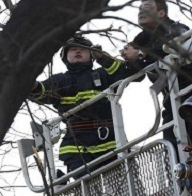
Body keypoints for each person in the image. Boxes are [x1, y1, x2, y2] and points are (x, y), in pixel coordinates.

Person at [29, 36, 142, 176]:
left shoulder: (103, 74)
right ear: (65, 57)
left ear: (91, 55)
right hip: (77, 148)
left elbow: (129, 73)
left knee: (125, 185)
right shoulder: (59, 81)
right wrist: (28, 81)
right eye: (73, 49)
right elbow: (39, 92)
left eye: (82, 49)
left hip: (111, 142)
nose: (78, 51)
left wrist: (103, 58)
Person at [131, 0, 192, 146]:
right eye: (139, 9)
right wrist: (130, 59)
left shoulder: (176, 29)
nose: (141, 12)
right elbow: (135, 76)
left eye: (147, 8)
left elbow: (176, 46)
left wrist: (144, 53)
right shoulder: (140, 41)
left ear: (161, 13)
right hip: (171, 99)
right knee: (172, 149)